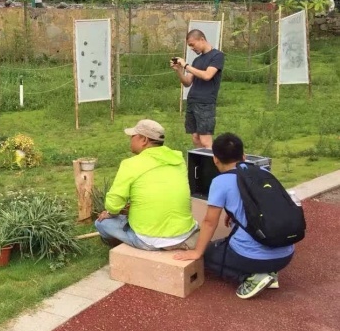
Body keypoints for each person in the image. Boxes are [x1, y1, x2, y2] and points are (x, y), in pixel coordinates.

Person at [174, 133, 294, 299]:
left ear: (215, 159)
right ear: (244, 156)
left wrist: (197, 252)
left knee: (207, 256)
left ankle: (250, 277)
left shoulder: (220, 182)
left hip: (252, 257)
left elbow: (209, 222)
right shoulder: (263, 173)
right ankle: (270, 274)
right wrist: (234, 214)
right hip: (285, 255)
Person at [95, 119, 199, 251]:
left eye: (133, 136)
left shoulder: (131, 165)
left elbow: (113, 205)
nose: (130, 140)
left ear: (144, 140)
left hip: (149, 239)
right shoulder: (179, 160)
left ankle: (124, 248)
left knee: (101, 223)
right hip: (184, 233)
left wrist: (110, 212)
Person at [171, 29, 225, 149]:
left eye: (192, 44)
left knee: (205, 140)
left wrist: (186, 65)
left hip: (205, 103)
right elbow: (187, 82)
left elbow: (207, 75)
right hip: (192, 101)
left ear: (201, 39)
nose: (191, 48)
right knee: (195, 138)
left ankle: (211, 165)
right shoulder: (197, 60)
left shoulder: (217, 56)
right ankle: (199, 166)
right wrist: (179, 70)